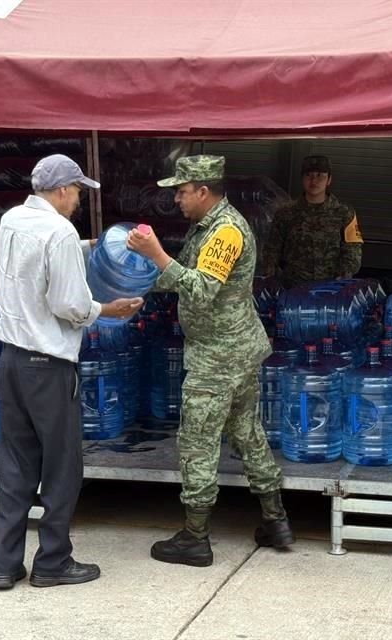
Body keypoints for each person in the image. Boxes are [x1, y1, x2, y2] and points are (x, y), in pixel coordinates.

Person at [127, 155, 294, 567]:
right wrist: (146, 269)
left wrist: (157, 254)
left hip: (218, 359)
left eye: (181, 192)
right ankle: (276, 522)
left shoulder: (225, 232)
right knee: (247, 432)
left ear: (203, 191)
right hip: (234, 351)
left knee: (198, 443)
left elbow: (200, 288)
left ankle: (195, 537)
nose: (177, 201)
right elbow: (183, 275)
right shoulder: (209, 226)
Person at [0, 154, 143, 590]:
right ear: (61, 191)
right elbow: (69, 306)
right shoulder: (60, 231)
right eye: (77, 191)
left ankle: (5, 564)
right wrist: (107, 310)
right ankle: (53, 561)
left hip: (12, 361)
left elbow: (33, 260)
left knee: (17, 465)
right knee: (61, 468)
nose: (77, 199)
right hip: (48, 367)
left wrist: (92, 247)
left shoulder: (12, 220)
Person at [261, 155, 363, 288]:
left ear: (329, 179)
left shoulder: (344, 213)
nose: (314, 180)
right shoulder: (286, 213)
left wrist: (343, 275)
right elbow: (272, 249)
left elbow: (353, 250)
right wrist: (271, 276)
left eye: (320, 175)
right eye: (308, 175)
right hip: (292, 287)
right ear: (302, 179)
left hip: (331, 288)